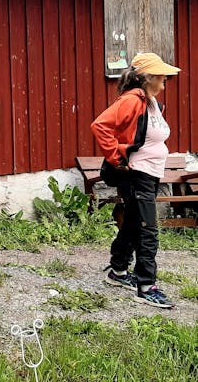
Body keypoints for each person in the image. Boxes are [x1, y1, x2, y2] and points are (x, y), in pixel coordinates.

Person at [90, 52, 179, 309]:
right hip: (136, 173)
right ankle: (146, 286)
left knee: (132, 222)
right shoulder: (133, 100)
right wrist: (117, 157)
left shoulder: (152, 103)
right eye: (161, 76)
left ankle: (118, 271)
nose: (165, 81)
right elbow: (100, 125)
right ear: (147, 77)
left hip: (150, 172)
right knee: (147, 229)